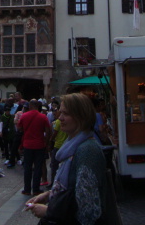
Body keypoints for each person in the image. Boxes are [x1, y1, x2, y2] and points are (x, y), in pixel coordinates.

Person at [25, 93, 114, 225]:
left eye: (66, 114)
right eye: (60, 112)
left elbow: (88, 210)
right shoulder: (72, 145)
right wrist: (50, 195)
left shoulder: (87, 151)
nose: (60, 117)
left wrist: (49, 212)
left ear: (81, 117)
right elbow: (73, 189)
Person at [18, 99, 52, 196]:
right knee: (38, 167)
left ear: (30, 106)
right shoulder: (43, 117)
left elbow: (19, 128)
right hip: (39, 145)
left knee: (27, 167)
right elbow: (48, 131)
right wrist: (47, 142)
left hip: (27, 145)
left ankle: (27, 189)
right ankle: (36, 189)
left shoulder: (24, 116)